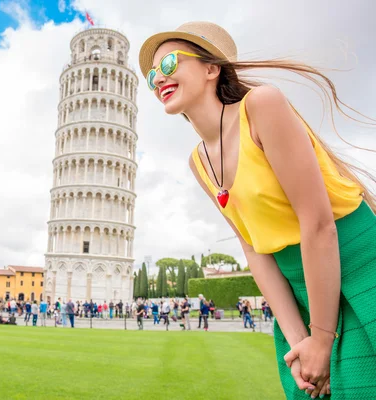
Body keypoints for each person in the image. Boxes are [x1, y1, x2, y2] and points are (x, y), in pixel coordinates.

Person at [139, 21, 376, 399]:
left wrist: (321, 337)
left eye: (168, 65)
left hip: (359, 267)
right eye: (152, 74)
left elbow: (317, 225)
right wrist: (300, 340)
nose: (157, 79)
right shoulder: (199, 162)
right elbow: (253, 248)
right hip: (301, 293)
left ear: (211, 68)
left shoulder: (262, 105)